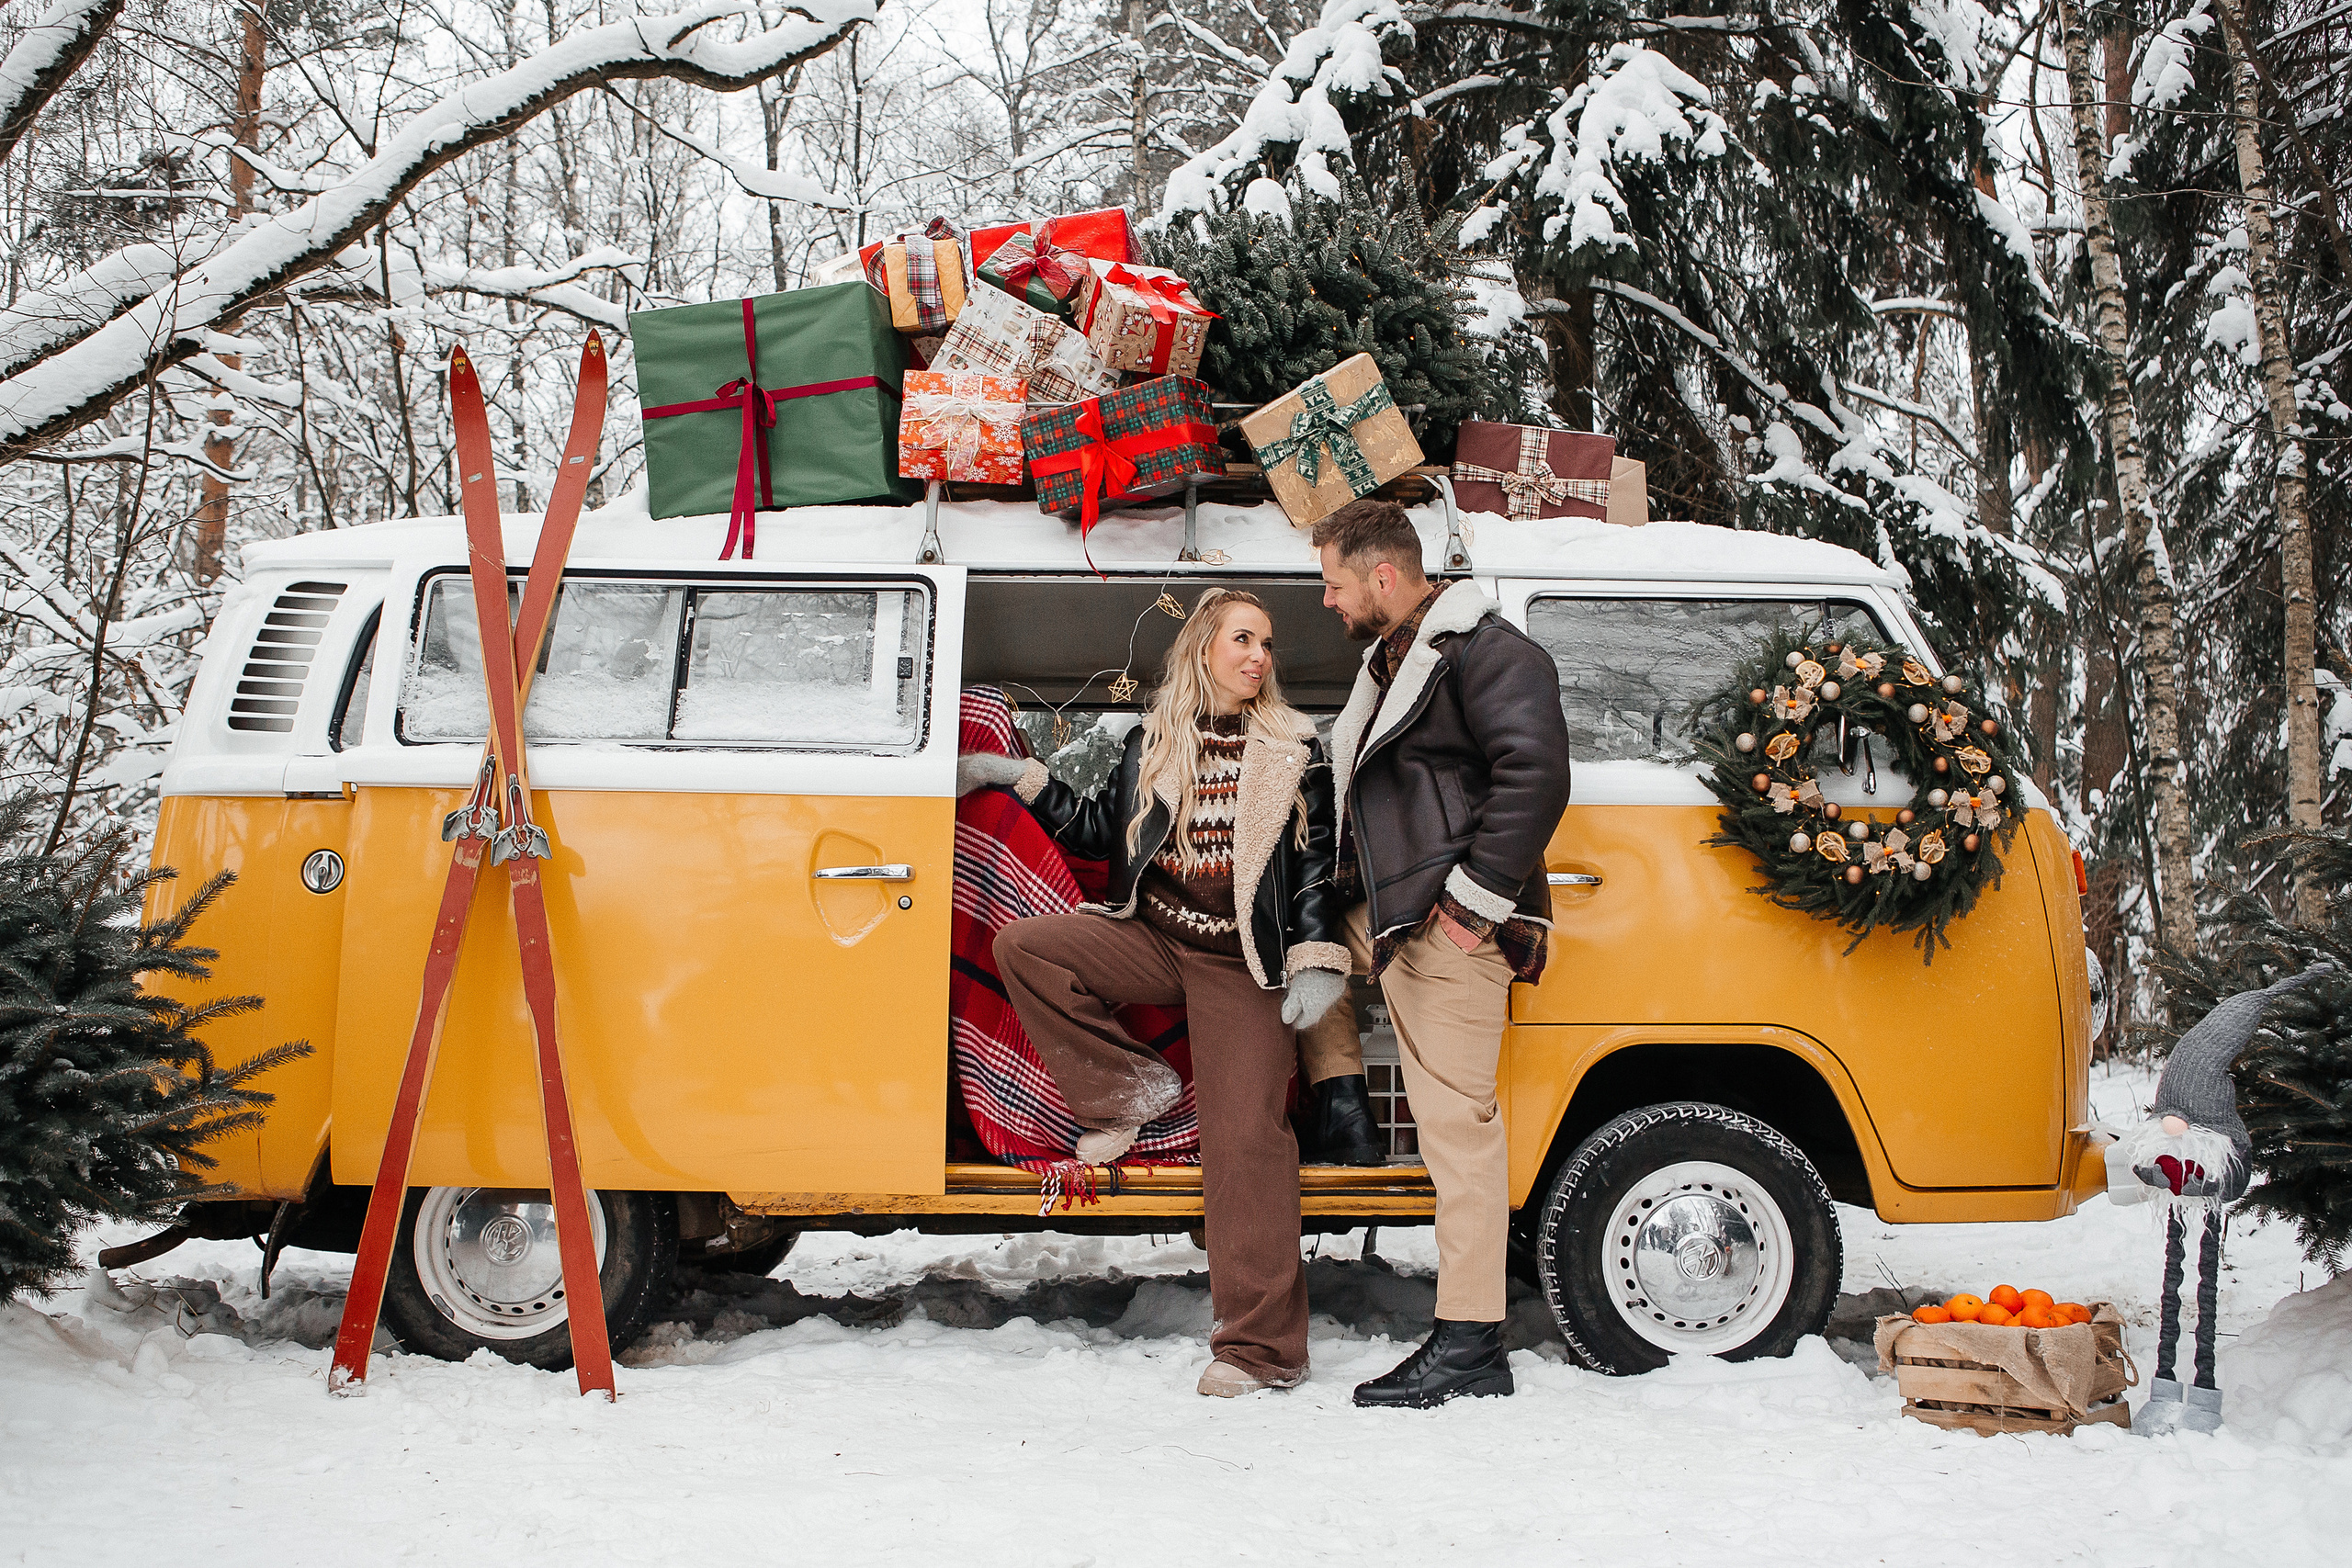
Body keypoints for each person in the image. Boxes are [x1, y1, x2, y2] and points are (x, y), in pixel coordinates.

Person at [955, 587, 1350, 1396]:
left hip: (1241, 959)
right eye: (1244, 639)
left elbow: (1315, 867)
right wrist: (1018, 775)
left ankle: (1261, 1350)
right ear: (1204, 646)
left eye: (1267, 644)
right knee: (1025, 946)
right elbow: (1099, 830)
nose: (1259, 657)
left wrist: (1314, 958)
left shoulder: (1296, 747)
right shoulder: (1154, 739)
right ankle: (1128, 1091)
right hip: (1155, 937)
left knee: (1248, 1141)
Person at [1313, 497, 1574, 1409]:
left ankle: (1470, 1340)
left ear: (1383, 576)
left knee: (1458, 1129)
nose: (1327, 601)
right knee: (1293, 962)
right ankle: (1341, 1110)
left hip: (1452, 925)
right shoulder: (1391, 660)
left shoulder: (1491, 652)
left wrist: (1473, 903)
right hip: (1394, 912)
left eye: (1334, 584)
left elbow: (1536, 774)